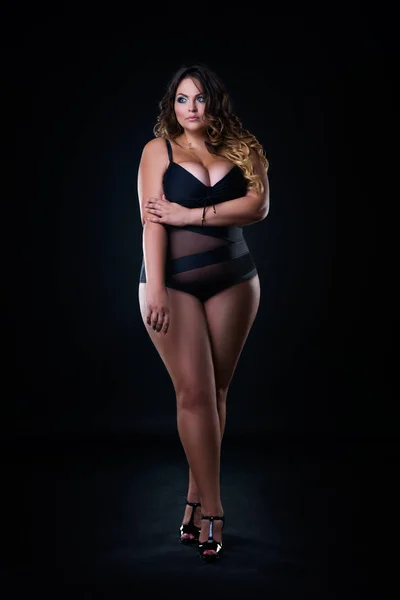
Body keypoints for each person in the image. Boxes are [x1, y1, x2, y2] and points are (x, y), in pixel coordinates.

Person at [137, 63, 270, 562]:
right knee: (193, 393)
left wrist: (191, 214)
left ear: (214, 101)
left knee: (216, 393)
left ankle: (195, 501)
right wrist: (155, 287)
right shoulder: (159, 151)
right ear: (171, 105)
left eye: (199, 98)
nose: (190, 108)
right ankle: (215, 509)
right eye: (181, 99)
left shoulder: (244, 147)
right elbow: (152, 222)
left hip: (235, 279)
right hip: (173, 282)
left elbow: (258, 207)